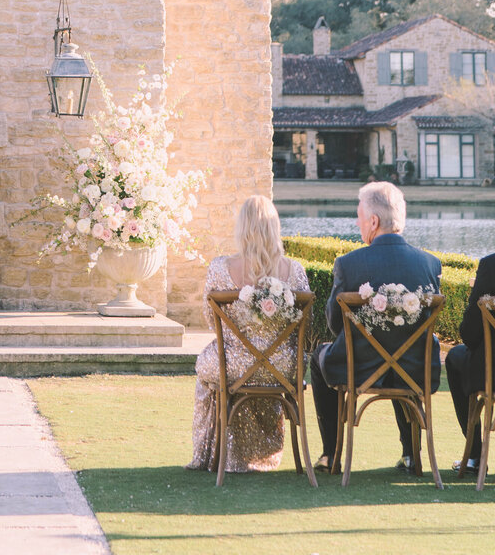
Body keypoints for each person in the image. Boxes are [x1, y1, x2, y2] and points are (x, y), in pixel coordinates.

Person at [308, 180, 441, 472]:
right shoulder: (430, 264)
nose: (357, 223)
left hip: (360, 370)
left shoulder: (349, 263)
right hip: (415, 369)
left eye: (359, 217)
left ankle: (331, 454)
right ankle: (411, 455)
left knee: (320, 357)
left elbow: (334, 325)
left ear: (374, 221)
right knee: (397, 352)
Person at [187, 195, 311, 472]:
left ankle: (217, 455)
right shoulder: (295, 271)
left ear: (242, 228)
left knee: (209, 369)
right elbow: (306, 323)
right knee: (231, 365)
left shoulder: (220, 268)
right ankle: (257, 450)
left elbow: (211, 321)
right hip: (284, 367)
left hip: (231, 365)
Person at [445, 247, 495, 472]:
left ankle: (474, 455)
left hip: (492, 373)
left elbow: (470, 333)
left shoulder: (491, 265)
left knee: (455, 356)